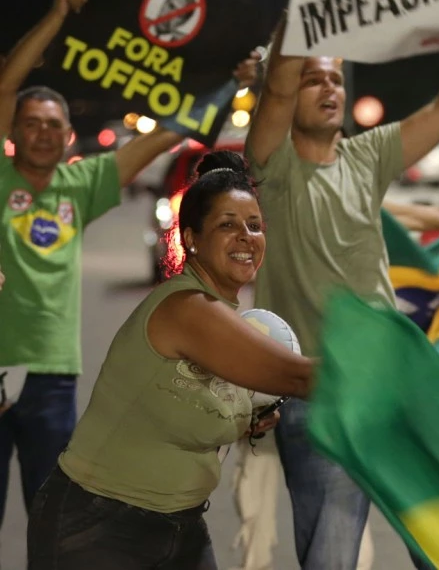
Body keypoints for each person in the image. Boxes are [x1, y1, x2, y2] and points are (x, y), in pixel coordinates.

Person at [244, 0, 439, 570]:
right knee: (333, 554)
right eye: (316, 80)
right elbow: (277, 91)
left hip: (394, 386)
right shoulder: (272, 168)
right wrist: (302, 1)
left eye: (336, 78)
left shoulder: (366, 156)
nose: (328, 88)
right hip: (317, 394)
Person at [0, 0, 257, 530]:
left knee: (51, 519)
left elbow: (166, 133)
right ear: (13, 132)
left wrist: (224, 81)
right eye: (31, 124)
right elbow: (5, 84)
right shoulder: (0, 178)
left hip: (52, 375)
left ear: (69, 136)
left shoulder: (83, 184)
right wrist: (57, 14)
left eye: (54, 125)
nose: (43, 133)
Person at [26, 150, 315, 569]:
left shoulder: (229, 317)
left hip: (180, 526)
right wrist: (392, 367)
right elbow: (297, 376)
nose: (246, 237)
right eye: (227, 225)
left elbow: (196, 404)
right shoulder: (187, 308)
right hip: (97, 526)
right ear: (192, 238)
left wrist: (244, 419)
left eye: (254, 226)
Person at [226, 195, 439, 570]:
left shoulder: (315, 202)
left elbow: (429, 214)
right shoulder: (325, 199)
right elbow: (429, 214)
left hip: (327, 390)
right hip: (356, 387)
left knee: (341, 545)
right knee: (435, 530)